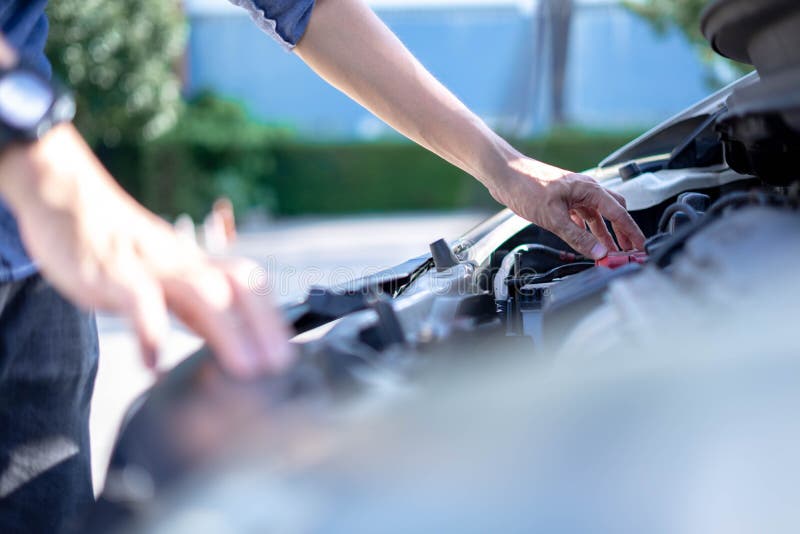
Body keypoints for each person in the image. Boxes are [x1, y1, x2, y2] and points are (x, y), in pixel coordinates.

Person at [0, 0, 645, 531]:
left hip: (34, 275)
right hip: (40, 213)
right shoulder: (45, 177)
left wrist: (505, 167)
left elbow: (307, 6)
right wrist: (44, 167)